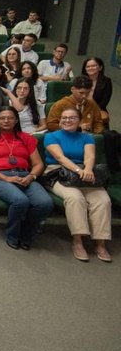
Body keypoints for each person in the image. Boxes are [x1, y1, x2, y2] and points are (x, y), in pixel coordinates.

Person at [0, 107, 53, 250]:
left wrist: (31, 176)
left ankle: (27, 233)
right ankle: (12, 234)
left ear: (16, 120)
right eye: (2, 118)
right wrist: (5, 178)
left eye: (10, 118)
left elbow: (38, 164)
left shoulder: (26, 138)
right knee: (20, 201)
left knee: (45, 203)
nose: (6, 121)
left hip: (24, 175)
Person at [44, 108, 112, 262]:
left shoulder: (87, 138)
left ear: (80, 121)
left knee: (103, 200)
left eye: (72, 118)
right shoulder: (51, 136)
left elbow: (90, 156)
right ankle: (78, 241)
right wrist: (77, 170)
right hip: (59, 173)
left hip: (84, 173)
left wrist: (87, 169)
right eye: (64, 118)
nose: (67, 120)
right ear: (60, 120)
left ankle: (100, 243)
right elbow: (60, 158)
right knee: (75, 198)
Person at [81, 57, 112, 126]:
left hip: (98, 110)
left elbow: (105, 101)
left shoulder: (106, 81)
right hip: (80, 109)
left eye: (94, 66)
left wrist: (93, 108)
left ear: (100, 68)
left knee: (106, 134)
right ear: (85, 69)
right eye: (88, 66)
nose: (90, 68)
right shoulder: (80, 80)